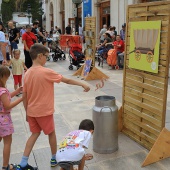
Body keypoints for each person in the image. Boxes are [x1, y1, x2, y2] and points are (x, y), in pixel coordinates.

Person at [16, 43, 90, 170]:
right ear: (40, 56)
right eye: (46, 56)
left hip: (32, 111)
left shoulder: (27, 73)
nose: (47, 58)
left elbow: (24, 96)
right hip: (44, 111)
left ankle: (23, 162)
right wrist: (82, 84)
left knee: (34, 134)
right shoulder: (46, 72)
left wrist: (27, 112)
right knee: (51, 134)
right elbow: (66, 80)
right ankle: (54, 158)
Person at [0, 65, 23, 170]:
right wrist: (22, 99)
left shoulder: (2, 90)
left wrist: (17, 91)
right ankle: (5, 166)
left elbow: (7, 97)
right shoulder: (2, 91)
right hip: (4, 120)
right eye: (7, 77)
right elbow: (7, 105)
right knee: (7, 143)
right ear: (2, 77)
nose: (8, 79)